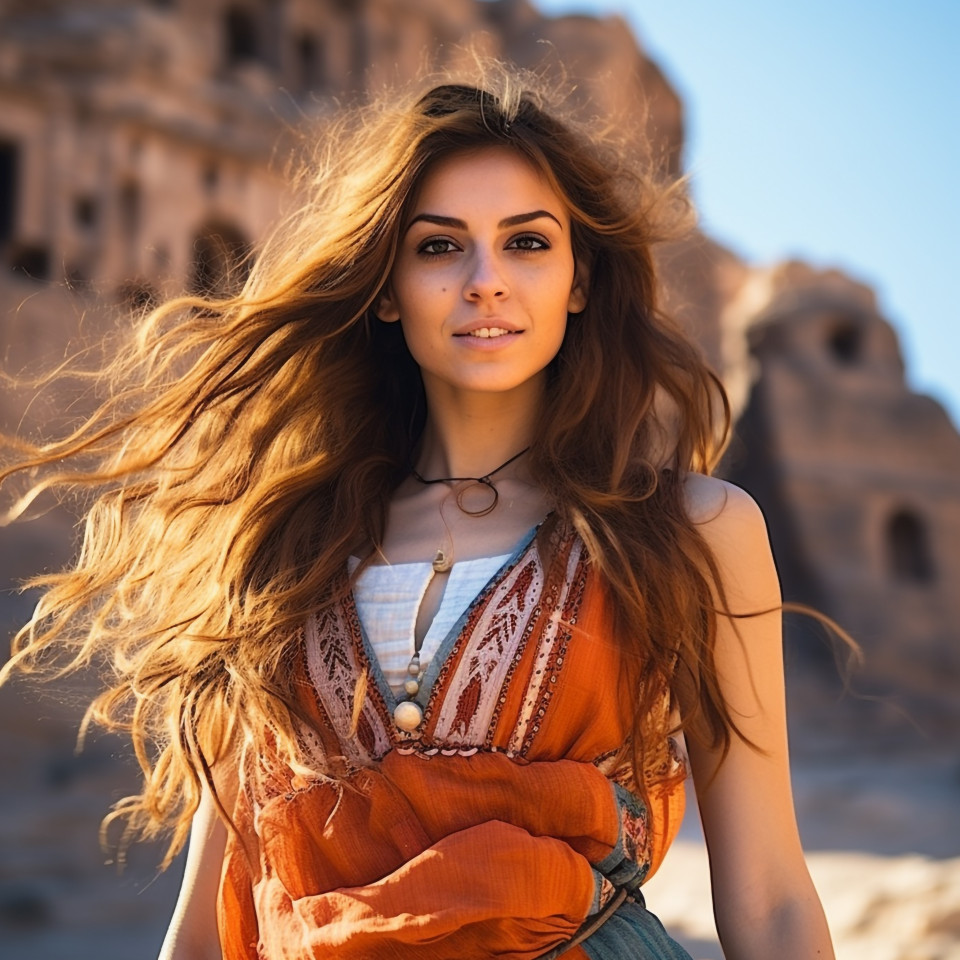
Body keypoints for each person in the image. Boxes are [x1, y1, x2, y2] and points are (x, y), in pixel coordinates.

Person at [0, 65, 837, 959]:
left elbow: (772, 900)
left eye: (527, 244)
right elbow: (209, 924)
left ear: (580, 280)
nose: (485, 281)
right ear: (388, 286)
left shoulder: (693, 532)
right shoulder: (280, 550)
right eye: (440, 247)